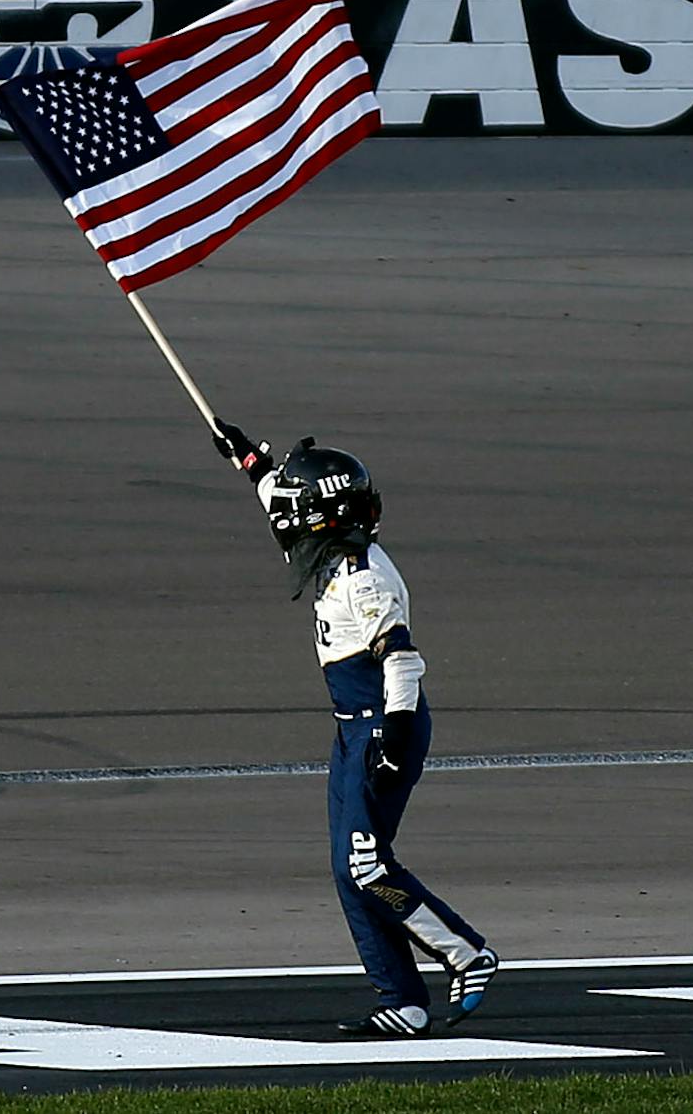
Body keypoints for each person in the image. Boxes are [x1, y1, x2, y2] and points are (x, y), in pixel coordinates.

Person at [212, 418, 498, 1038]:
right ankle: (404, 999)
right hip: (351, 734)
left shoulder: (364, 578)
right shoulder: (327, 551)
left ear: (324, 516)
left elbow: (401, 658)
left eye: (298, 507)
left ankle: (465, 951)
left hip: (380, 732)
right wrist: (250, 462)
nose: (284, 520)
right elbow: (286, 509)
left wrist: (392, 741)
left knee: (368, 868)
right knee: (350, 866)